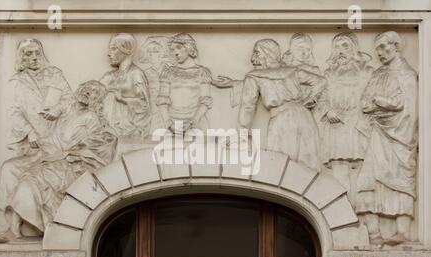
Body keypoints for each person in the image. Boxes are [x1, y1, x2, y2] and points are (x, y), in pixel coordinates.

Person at [0, 80, 117, 243]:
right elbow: (56, 112)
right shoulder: (69, 109)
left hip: (65, 163)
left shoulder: (90, 118)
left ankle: (15, 227)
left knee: (29, 180)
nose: (87, 91)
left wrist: (61, 152)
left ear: (97, 100)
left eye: (94, 91)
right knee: (9, 168)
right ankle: (4, 220)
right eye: (86, 87)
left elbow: (82, 146)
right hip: (45, 155)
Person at [0, 38, 73, 241]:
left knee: (37, 178)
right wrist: (29, 132)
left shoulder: (55, 74)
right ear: (21, 58)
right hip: (33, 144)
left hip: (56, 142)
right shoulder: (17, 82)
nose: (33, 57)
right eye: (28, 54)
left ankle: (38, 224)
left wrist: (57, 111)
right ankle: (11, 226)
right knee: (9, 169)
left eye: (36, 52)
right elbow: (14, 113)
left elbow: (69, 100)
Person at [214, 39, 326, 171]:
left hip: (282, 120)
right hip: (305, 117)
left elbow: (248, 106)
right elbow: (321, 81)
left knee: (281, 169)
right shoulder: (292, 71)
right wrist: (311, 98)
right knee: (307, 168)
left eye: (257, 53)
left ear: (268, 54)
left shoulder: (254, 76)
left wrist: (242, 133)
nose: (253, 59)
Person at [356, 31, 418, 245]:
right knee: (368, 180)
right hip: (377, 134)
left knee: (399, 179)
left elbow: (407, 108)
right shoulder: (378, 74)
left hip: (399, 136)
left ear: (396, 46)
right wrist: (375, 102)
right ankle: (374, 234)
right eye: (377, 49)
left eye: (383, 47)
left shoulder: (408, 75)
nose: (379, 53)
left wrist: (379, 101)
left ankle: (402, 231)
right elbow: (365, 100)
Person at [316, 32, 374, 203]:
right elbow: (321, 97)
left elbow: (374, 94)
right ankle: (343, 211)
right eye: (337, 47)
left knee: (359, 168)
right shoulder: (329, 74)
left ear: (354, 48)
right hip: (336, 126)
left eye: (345, 46)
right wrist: (327, 111)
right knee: (339, 168)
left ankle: (358, 213)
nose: (341, 51)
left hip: (359, 125)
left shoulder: (367, 72)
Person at [156, 33, 213, 134]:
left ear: (189, 48)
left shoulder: (202, 72)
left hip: (196, 123)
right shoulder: (168, 72)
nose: (175, 53)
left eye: (179, 47)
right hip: (170, 123)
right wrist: (169, 123)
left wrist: (193, 122)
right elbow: (162, 101)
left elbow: (205, 101)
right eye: (173, 50)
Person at [100, 33, 151, 142]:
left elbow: (144, 105)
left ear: (126, 50)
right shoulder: (108, 76)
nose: (109, 54)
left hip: (127, 130)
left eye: (113, 49)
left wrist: (122, 99)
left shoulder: (135, 74)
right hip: (106, 129)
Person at [138, 36, 175, 133]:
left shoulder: (172, 71)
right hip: (152, 114)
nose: (151, 54)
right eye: (149, 51)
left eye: (155, 51)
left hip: (171, 113)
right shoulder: (144, 73)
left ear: (163, 53)